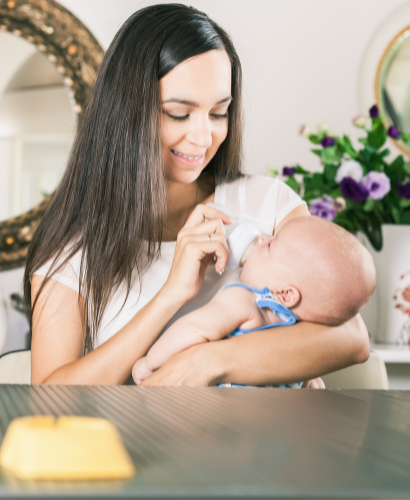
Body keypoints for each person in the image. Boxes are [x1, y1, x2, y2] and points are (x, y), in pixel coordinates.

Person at [23, 4, 370, 386]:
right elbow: (49, 395)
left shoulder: (266, 205)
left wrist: (209, 361)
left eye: (219, 113)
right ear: (126, 112)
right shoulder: (74, 245)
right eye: (178, 113)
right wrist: (172, 294)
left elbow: (351, 337)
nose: (204, 138)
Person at [132, 217, 376, 385]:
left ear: (286, 294)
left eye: (270, 245)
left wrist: (149, 362)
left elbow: (194, 328)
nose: (261, 238)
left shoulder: (243, 300)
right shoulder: (298, 337)